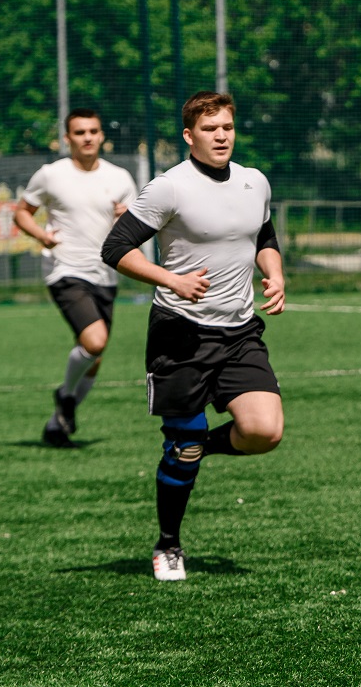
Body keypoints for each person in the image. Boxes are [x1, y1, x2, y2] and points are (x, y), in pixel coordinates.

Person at [101, 91, 286, 582]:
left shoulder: (254, 181)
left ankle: (195, 444)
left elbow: (263, 237)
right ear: (189, 136)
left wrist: (275, 272)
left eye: (226, 126)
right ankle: (168, 544)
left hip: (241, 330)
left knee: (265, 431)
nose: (221, 135)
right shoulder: (169, 188)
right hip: (180, 333)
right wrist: (172, 281)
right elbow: (116, 248)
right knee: (180, 450)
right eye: (209, 129)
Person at [14, 109, 138, 448]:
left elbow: (134, 231)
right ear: (67, 139)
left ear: (101, 136)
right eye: (79, 132)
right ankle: (65, 396)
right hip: (65, 270)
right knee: (94, 341)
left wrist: (126, 220)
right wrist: (42, 235)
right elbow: (22, 212)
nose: (87, 137)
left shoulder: (121, 178)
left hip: (106, 275)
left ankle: (57, 423)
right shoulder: (51, 175)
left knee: (93, 360)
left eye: (93, 131)